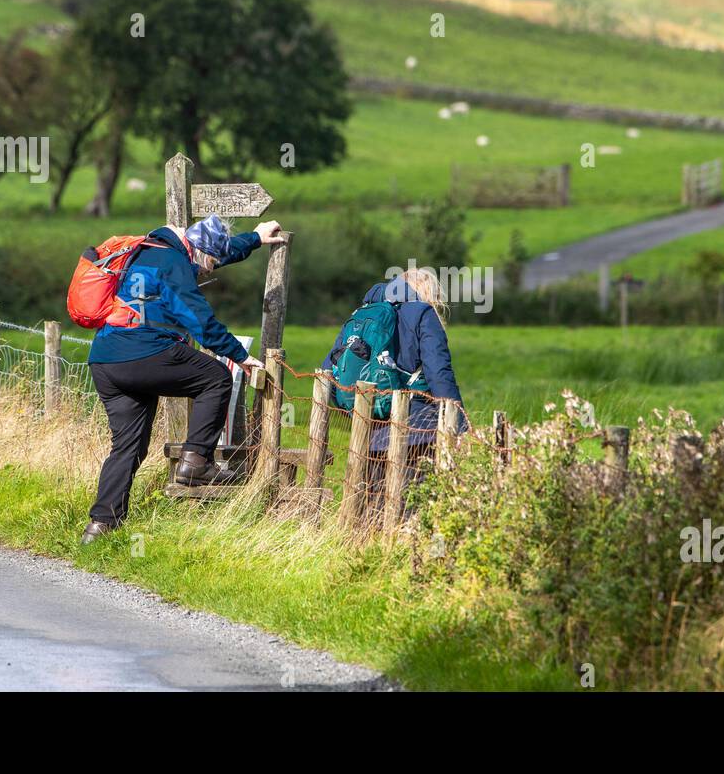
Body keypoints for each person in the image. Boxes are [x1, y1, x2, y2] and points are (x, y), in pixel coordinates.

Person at [81, 215, 283, 544]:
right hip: (144, 353)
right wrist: (239, 355)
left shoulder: (147, 250)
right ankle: (195, 462)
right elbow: (199, 318)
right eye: (206, 267)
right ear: (197, 254)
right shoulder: (175, 263)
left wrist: (255, 239)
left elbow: (217, 251)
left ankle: (101, 526)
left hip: (106, 359)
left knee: (128, 447)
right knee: (216, 378)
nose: (205, 272)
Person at [322, 266, 466, 496]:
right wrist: (459, 426)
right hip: (418, 434)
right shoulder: (423, 314)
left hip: (371, 435)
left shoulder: (364, 314)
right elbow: (439, 374)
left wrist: (360, 412)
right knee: (413, 511)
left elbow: (329, 372)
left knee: (374, 513)